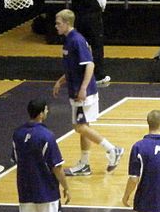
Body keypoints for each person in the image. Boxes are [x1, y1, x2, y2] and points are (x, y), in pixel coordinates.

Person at [52, 9, 124, 176]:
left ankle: (112, 149)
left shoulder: (76, 40)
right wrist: (60, 81)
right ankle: (84, 164)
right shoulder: (68, 40)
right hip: (76, 89)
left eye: (58, 23)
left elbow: (90, 65)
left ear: (67, 23)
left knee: (79, 126)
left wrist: (83, 88)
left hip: (82, 91)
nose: (56, 26)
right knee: (84, 126)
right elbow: (73, 67)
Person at [12, 98, 71, 212]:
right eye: (46, 110)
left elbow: (15, 159)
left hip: (25, 187)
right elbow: (57, 167)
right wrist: (66, 187)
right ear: (41, 113)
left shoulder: (17, 134)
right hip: (45, 188)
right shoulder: (47, 136)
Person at [69, 0, 109, 87]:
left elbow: (72, 1)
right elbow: (102, 3)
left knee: (81, 46)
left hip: (78, 19)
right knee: (97, 46)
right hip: (93, 19)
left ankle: (80, 73)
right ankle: (99, 75)